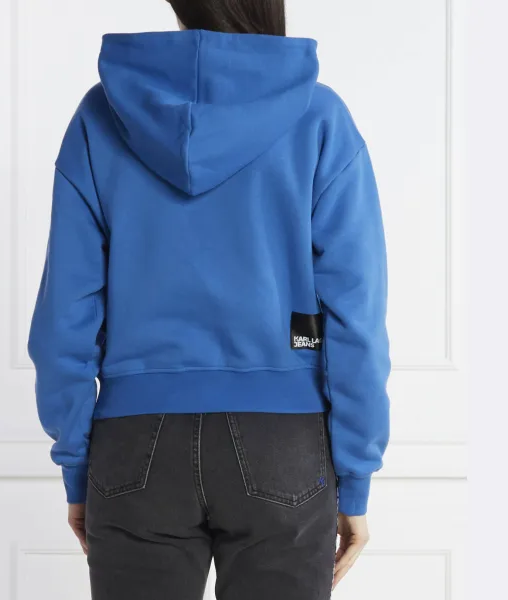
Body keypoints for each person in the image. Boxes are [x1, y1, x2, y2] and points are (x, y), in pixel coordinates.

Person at [27, 1, 391, 598]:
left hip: (133, 444)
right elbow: (355, 317)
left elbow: (64, 317)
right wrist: (355, 476)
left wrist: (76, 463)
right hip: (286, 443)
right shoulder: (319, 116)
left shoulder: (101, 115)